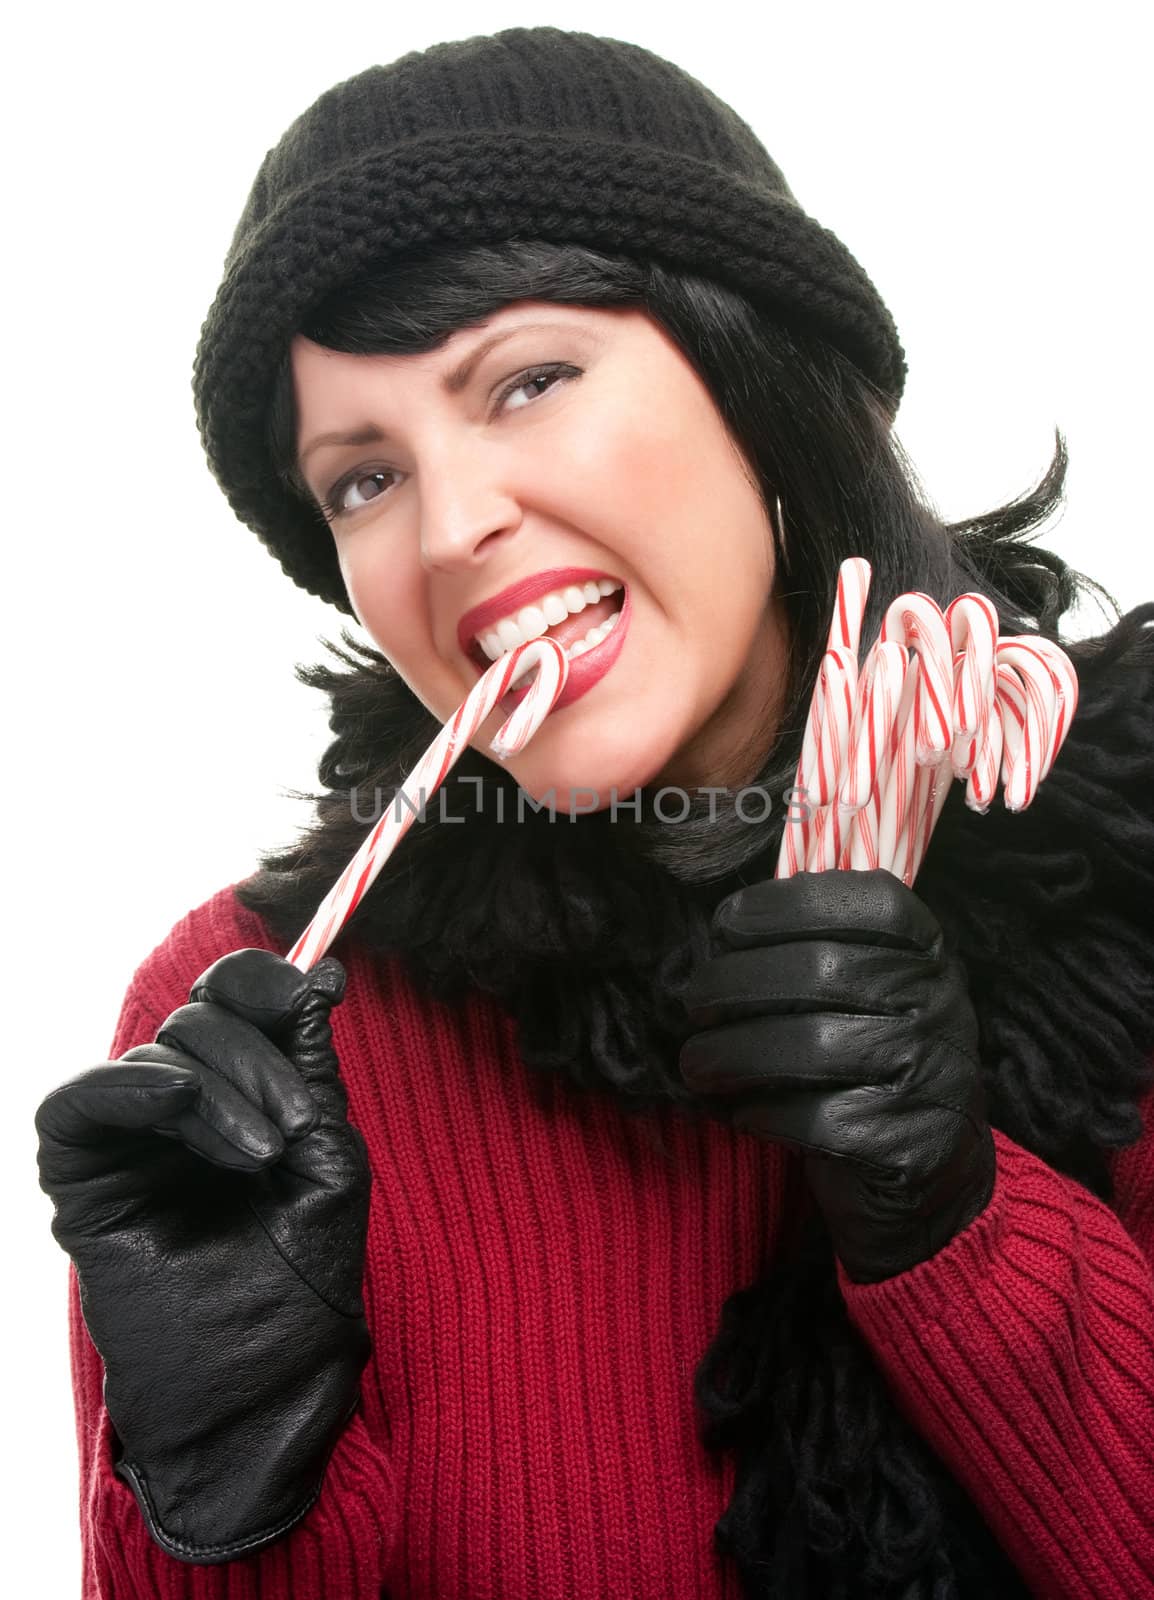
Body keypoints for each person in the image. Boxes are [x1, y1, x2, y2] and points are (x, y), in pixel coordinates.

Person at [35, 25, 1154, 1600]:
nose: (452, 525)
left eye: (528, 380)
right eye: (361, 477)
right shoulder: (246, 1039)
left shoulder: (1124, 871)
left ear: (753, 378)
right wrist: (224, 1478)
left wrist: (956, 1224)